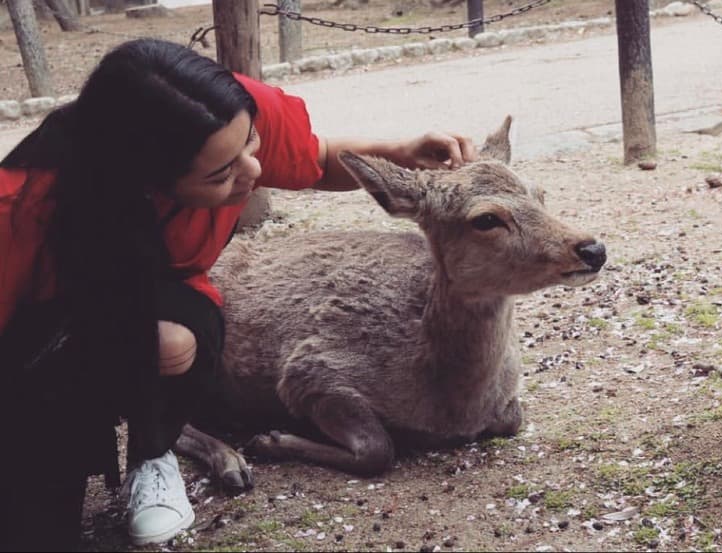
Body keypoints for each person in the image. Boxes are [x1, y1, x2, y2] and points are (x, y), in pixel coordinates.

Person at [0, 37, 476, 551]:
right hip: (50, 324)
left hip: (164, 294)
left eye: (250, 144)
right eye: (221, 174)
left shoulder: (223, 111)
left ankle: (153, 447)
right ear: (147, 181)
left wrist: (397, 151)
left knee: (171, 344)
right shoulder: (23, 213)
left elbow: (313, 158)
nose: (253, 171)